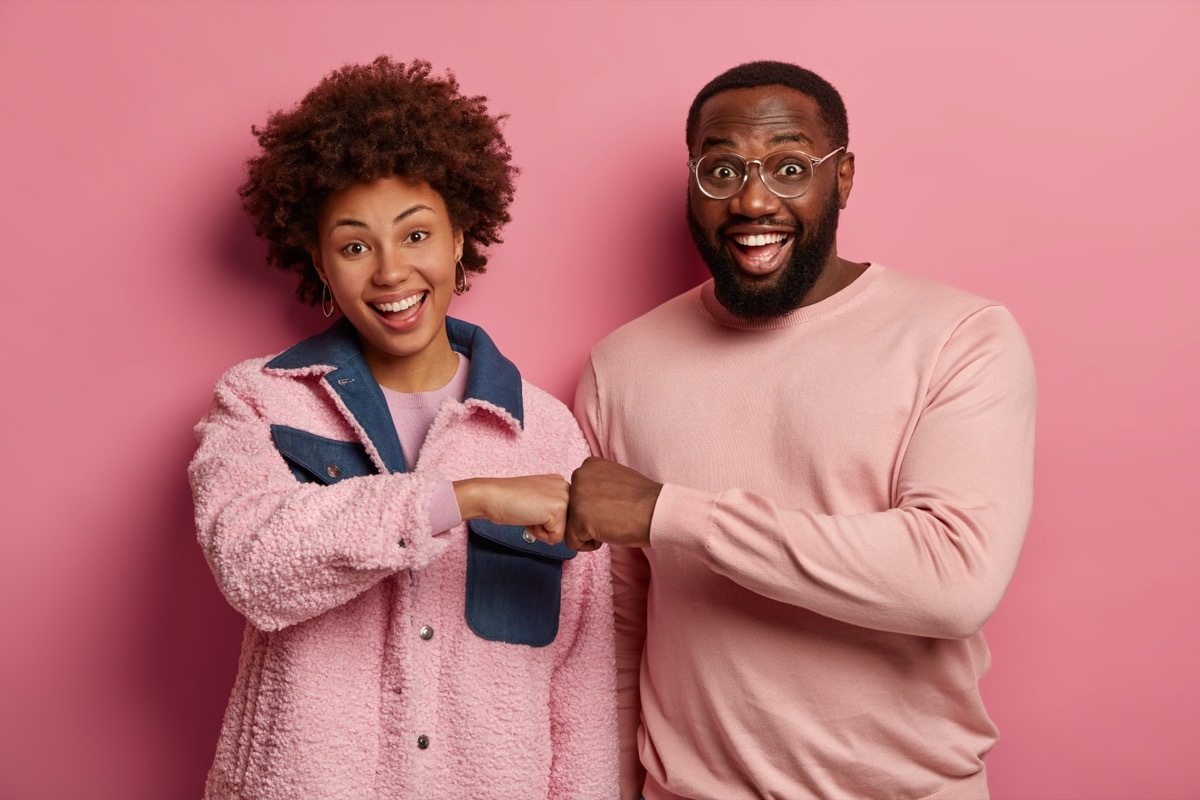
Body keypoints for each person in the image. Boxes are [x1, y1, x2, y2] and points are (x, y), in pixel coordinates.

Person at [566, 61, 1036, 799]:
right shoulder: (620, 367)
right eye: (722, 169)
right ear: (693, 181)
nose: (753, 200)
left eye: (789, 167)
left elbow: (954, 579)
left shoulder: (959, 337)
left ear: (842, 177)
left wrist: (671, 513)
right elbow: (620, 632)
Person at [189, 57, 618, 799]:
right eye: (355, 246)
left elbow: (580, 682)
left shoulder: (547, 433)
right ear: (320, 263)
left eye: (416, 235)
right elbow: (251, 568)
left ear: (460, 238)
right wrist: (467, 497)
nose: (390, 272)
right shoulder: (259, 401)